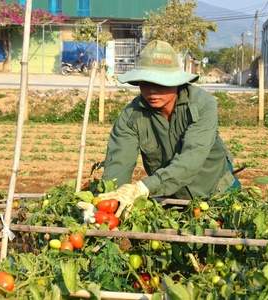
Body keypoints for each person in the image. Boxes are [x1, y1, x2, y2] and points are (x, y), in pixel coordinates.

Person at [99, 40, 240, 218]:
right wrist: (109, 202)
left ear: (177, 81)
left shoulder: (202, 105)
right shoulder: (131, 117)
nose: (152, 90)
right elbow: (118, 165)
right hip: (171, 202)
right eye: (145, 82)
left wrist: (143, 188)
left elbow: (190, 159)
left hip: (217, 193)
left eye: (160, 83)